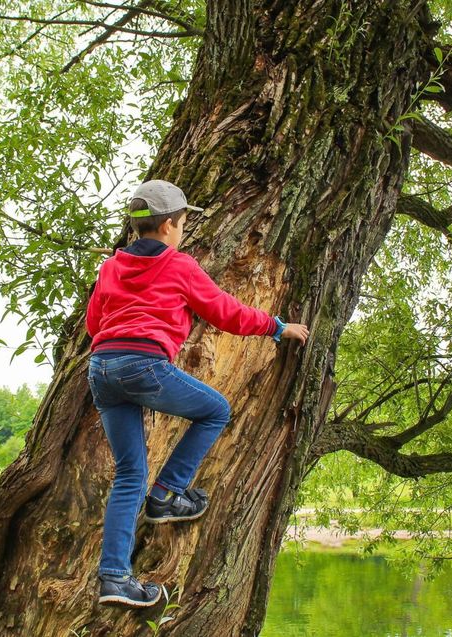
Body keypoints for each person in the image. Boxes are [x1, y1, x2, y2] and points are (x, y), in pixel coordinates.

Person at [85, 179, 309, 608]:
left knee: (129, 473)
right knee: (215, 409)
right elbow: (225, 312)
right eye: (184, 221)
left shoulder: (111, 267)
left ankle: (114, 578)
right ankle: (167, 494)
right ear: (168, 225)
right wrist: (277, 327)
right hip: (143, 364)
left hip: (102, 368)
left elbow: (95, 324)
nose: (183, 229)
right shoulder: (178, 265)